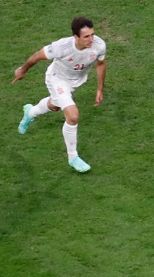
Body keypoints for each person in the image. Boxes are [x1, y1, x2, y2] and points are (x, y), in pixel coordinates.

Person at [12, 16, 107, 173]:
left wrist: (99, 89)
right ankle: (73, 157)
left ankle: (30, 112)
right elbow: (37, 56)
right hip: (57, 79)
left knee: (55, 105)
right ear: (76, 37)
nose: (91, 39)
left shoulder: (99, 45)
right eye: (86, 36)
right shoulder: (61, 46)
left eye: (92, 34)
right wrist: (23, 70)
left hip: (75, 82)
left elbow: (101, 64)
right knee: (73, 116)